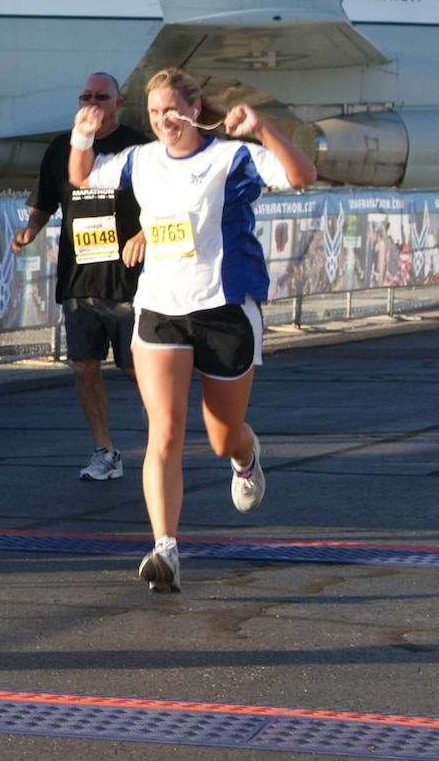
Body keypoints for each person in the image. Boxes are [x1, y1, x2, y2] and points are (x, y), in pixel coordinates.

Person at [69, 68, 316, 592]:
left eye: (172, 111)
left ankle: (246, 459)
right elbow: (81, 176)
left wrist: (262, 127)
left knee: (223, 436)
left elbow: (301, 176)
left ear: (195, 107)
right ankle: (165, 550)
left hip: (224, 310)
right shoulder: (141, 159)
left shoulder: (230, 157)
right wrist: (83, 133)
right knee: (165, 432)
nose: (164, 122)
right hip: (160, 310)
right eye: (154, 114)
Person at [13, 72, 149, 481]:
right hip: (80, 277)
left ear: (117, 103)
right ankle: (104, 451)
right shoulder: (61, 148)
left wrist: (144, 234)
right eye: (85, 95)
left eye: (100, 96)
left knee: (138, 370)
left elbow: (168, 203)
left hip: (129, 280)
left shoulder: (140, 147)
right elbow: (44, 201)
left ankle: (163, 441)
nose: (91, 102)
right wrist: (31, 229)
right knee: (84, 367)